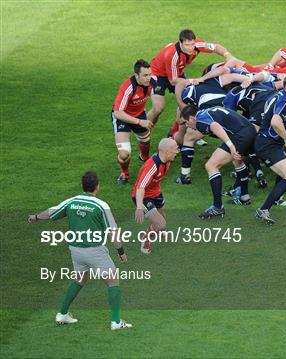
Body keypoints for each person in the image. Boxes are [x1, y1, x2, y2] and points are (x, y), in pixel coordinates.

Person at [27, 172, 131, 330]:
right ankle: (116, 322)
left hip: (75, 250)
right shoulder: (101, 205)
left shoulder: (72, 201)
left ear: (83, 186)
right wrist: (121, 252)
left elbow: (51, 212)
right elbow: (113, 233)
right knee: (113, 280)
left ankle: (62, 314)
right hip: (94, 250)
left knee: (80, 279)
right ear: (97, 186)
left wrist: (35, 217)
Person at [180, 105, 257, 218]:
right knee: (237, 161)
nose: (187, 125)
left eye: (185, 122)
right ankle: (244, 197)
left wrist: (230, 146)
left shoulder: (199, 120)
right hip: (249, 130)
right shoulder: (206, 111)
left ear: (191, 118)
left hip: (240, 135)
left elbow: (215, 126)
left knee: (211, 166)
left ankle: (217, 207)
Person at [148, 29, 235, 125]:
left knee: (191, 100)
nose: (190, 48)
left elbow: (215, 47)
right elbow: (173, 80)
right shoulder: (173, 55)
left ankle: (181, 132)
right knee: (158, 108)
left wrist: (228, 55)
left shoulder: (197, 44)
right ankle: (145, 130)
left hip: (177, 72)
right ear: (180, 43)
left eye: (192, 44)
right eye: (187, 45)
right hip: (158, 75)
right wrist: (194, 80)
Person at [254, 74, 286, 224]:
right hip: (267, 145)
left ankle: (277, 199)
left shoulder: (278, 96)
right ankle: (264, 209)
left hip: (272, 142)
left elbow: (270, 116)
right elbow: (276, 122)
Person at [112, 59, 155, 184]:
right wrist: (140, 122)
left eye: (150, 74)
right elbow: (118, 112)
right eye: (145, 75)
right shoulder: (128, 88)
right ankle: (124, 173)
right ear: (137, 75)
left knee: (145, 141)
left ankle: (145, 158)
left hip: (139, 114)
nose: (148, 78)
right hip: (122, 117)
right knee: (124, 154)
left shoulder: (153, 82)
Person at [132, 138, 178, 254]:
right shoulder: (152, 166)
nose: (177, 152)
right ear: (167, 152)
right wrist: (139, 206)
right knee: (161, 223)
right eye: (175, 150)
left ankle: (157, 230)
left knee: (162, 216)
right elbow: (140, 187)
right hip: (143, 197)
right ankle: (146, 238)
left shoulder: (166, 160)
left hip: (156, 192)